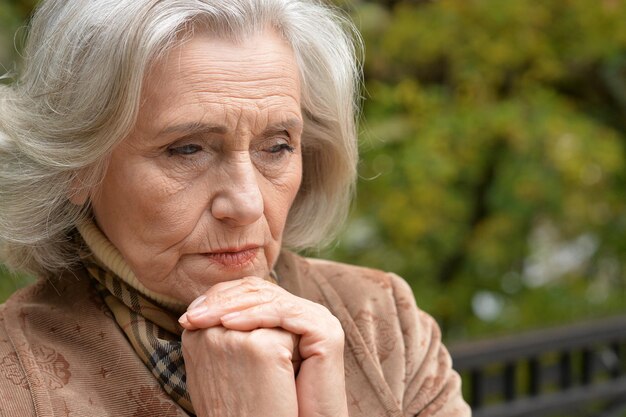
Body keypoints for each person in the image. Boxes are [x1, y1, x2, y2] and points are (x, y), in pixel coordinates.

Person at [0, 0, 470, 415]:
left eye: (278, 146)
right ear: (78, 165)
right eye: (188, 150)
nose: (246, 204)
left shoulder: (383, 321)